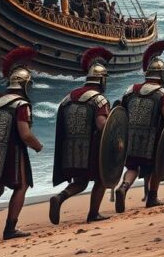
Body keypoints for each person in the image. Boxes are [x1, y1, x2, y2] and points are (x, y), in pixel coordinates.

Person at [0, 47, 44, 244]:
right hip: (12, 154)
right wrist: (38, 146)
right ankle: (10, 228)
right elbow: (25, 134)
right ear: (25, 84)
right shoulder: (21, 104)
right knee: (21, 186)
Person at [49, 47, 115, 224]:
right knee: (101, 179)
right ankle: (93, 213)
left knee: (80, 181)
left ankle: (60, 197)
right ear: (101, 80)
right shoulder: (99, 99)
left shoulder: (70, 96)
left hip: (70, 149)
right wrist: (115, 131)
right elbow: (102, 124)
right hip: (91, 149)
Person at [114, 41, 164, 211]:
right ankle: (152, 197)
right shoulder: (162, 94)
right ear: (162, 74)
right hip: (151, 139)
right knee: (155, 167)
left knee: (133, 167)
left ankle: (124, 187)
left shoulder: (131, 89)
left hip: (131, 138)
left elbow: (120, 112)